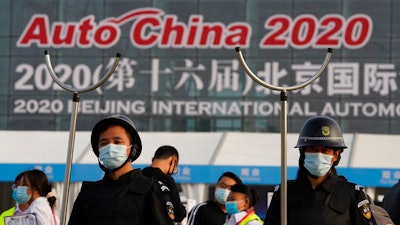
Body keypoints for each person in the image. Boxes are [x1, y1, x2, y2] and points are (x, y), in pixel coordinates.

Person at [264, 116, 377, 225]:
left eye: (325, 150)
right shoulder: (284, 193)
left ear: (336, 155)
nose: (318, 154)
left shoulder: (352, 194)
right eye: (313, 149)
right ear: (303, 153)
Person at [68, 114, 174, 225]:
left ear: (133, 148)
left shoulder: (151, 189)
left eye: (117, 142)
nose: (110, 147)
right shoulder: (88, 193)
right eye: (104, 143)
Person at [142, 145, 187, 223]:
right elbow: (179, 214)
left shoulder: (139, 176)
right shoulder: (167, 181)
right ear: (173, 161)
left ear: (153, 159)